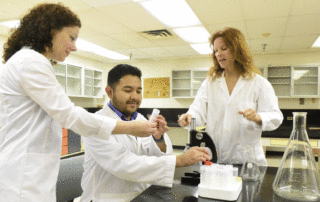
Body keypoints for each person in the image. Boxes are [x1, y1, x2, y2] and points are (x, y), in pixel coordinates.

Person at [0, 3, 157, 201]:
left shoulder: (26, 61)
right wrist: (130, 127)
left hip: (27, 173)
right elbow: (69, 115)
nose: (74, 46)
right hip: (24, 178)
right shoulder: (31, 62)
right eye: (71, 37)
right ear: (50, 31)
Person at [80, 64, 211, 202]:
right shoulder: (95, 124)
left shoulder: (140, 120)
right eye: (127, 90)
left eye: (138, 91)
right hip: (106, 199)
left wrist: (158, 138)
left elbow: (153, 157)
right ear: (109, 92)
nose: (134, 97)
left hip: (142, 195)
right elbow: (124, 165)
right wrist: (180, 160)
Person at [178, 27, 283, 166]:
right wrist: (189, 117)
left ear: (237, 49)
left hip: (247, 163)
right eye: (215, 50)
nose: (218, 54)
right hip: (215, 159)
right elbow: (198, 108)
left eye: (224, 48)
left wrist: (258, 117)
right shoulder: (210, 83)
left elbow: (276, 116)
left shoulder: (259, 83)